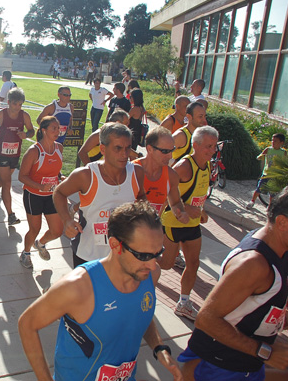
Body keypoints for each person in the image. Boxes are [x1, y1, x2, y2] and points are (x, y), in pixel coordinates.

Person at [18, 200, 182, 381]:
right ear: (115, 245)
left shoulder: (149, 274)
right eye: (143, 256)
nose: (152, 265)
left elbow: (139, 312)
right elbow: (27, 324)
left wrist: (159, 349)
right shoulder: (77, 287)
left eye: (157, 253)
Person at [178, 185, 288, 380]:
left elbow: (247, 302)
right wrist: (266, 352)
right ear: (282, 222)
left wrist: (276, 315)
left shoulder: (277, 245)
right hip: (217, 367)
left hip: (241, 364)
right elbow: (206, 318)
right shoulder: (254, 264)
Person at [53, 122, 146, 267]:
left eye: (128, 148)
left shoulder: (136, 172)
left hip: (122, 253)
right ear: (103, 149)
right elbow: (59, 192)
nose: (124, 154)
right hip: (88, 254)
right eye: (118, 148)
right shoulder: (86, 175)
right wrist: (67, 220)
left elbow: (141, 198)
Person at [160, 126, 218, 320]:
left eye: (214, 146)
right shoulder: (184, 166)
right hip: (173, 222)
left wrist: (201, 211)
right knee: (167, 265)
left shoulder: (207, 165)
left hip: (192, 224)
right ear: (195, 145)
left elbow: (198, 193)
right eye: (208, 146)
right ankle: (142, 264)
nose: (211, 150)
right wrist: (184, 209)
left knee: (193, 263)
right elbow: (166, 190)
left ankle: (183, 303)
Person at [18, 116, 64, 269]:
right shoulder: (34, 151)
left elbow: (55, 170)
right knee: (34, 229)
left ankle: (41, 243)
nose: (58, 131)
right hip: (34, 196)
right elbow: (21, 176)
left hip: (51, 195)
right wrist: (39, 186)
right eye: (54, 128)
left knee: (57, 231)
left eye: (58, 128)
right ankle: (25, 253)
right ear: (44, 131)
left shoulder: (59, 148)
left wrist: (60, 177)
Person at [0, 87, 35, 225]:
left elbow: (32, 131)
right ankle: (10, 215)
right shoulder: (0, 114)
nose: (17, 107)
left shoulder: (24, 116)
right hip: (1, 152)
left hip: (15, 153)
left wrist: (26, 134)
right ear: (8, 102)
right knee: (7, 183)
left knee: (4, 178)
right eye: (15, 104)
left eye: (20, 104)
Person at [133, 126, 189, 221]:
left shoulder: (171, 176)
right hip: (127, 232)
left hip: (152, 233)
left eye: (172, 150)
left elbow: (175, 203)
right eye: (165, 151)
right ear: (149, 149)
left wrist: (181, 213)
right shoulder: (131, 170)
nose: (170, 156)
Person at [247, 133, 287, 209]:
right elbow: (260, 156)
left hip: (275, 176)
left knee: (272, 194)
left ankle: (270, 206)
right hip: (266, 174)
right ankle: (252, 201)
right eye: (272, 140)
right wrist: (260, 157)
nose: (273, 142)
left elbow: (285, 163)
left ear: (281, 143)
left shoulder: (283, 153)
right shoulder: (268, 149)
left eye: (275, 141)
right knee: (258, 189)